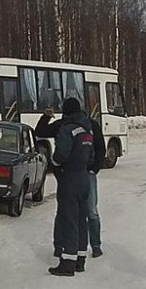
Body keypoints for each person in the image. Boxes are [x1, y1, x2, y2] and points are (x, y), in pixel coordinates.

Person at [36, 103, 106, 260]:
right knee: (87, 211)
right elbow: (41, 132)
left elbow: (100, 147)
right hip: (82, 174)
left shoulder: (72, 125)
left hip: (73, 174)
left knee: (72, 211)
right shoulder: (85, 124)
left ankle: (91, 245)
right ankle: (79, 248)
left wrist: (93, 168)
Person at [46, 98, 94, 276]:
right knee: (82, 219)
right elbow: (92, 155)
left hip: (70, 178)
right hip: (83, 178)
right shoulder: (87, 128)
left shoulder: (67, 129)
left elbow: (61, 154)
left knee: (69, 220)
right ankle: (80, 260)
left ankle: (67, 262)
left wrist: (54, 163)